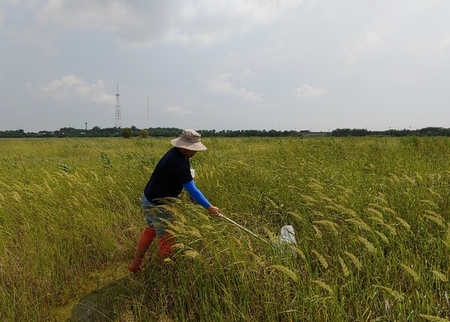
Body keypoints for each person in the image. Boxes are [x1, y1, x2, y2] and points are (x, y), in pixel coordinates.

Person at [129, 129, 221, 273]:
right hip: (159, 205)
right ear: (184, 147)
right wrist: (209, 207)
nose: (195, 152)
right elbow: (193, 189)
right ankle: (168, 272)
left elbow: (182, 181)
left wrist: (189, 193)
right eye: (193, 149)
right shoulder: (179, 161)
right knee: (167, 238)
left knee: (151, 230)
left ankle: (135, 265)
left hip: (148, 199)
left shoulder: (175, 155)